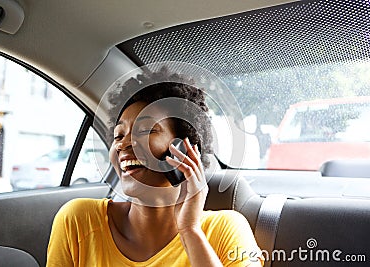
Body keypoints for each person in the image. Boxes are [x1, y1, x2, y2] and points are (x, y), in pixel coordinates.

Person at [46, 67, 264, 266]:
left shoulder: (226, 230)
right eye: (118, 135)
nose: (123, 144)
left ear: (183, 148)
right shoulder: (77, 220)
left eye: (145, 130)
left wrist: (190, 231)